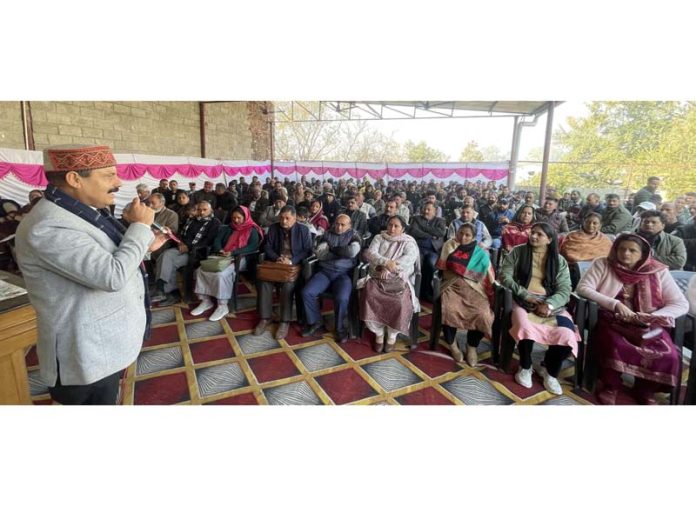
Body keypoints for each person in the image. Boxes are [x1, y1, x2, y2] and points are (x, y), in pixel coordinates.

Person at [14, 144, 168, 404]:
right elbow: (112, 275)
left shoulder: (82, 211)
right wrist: (140, 227)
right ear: (74, 179)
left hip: (104, 343)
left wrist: (142, 246)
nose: (119, 182)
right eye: (109, 175)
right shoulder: (48, 226)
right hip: (85, 353)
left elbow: (105, 259)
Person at [576, 234, 688, 404]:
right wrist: (615, 304)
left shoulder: (658, 271)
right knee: (616, 344)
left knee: (668, 353)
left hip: (647, 323)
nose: (625, 254)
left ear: (643, 254)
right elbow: (583, 288)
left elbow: (680, 303)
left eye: (632, 250)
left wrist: (652, 317)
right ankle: (611, 386)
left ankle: (644, 389)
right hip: (612, 317)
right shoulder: (604, 264)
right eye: (622, 249)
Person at [499, 223, 581, 395]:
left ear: (549, 240)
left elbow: (565, 288)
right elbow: (505, 275)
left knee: (567, 334)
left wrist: (549, 304)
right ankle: (526, 365)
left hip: (551, 304)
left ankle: (550, 371)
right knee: (524, 327)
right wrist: (525, 294)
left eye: (539, 235)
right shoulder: (518, 252)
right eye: (533, 233)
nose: (533, 236)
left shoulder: (558, 260)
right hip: (523, 299)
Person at [359, 215, 420, 353]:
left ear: (403, 228)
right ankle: (379, 334)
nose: (392, 229)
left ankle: (392, 336)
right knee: (370, 296)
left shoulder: (408, 242)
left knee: (400, 302)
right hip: (377, 275)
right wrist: (385, 264)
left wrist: (389, 269)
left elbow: (408, 260)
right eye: (390, 225)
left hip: (399, 278)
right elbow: (371, 254)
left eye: (396, 226)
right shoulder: (379, 238)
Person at [436, 223, 494, 366]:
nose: (463, 237)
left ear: (474, 237)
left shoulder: (481, 251)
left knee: (483, 314)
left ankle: (471, 346)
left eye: (467, 235)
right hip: (452, 285)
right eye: (460, 233)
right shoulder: (449, 245)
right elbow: (444, 267)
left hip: (475, 288)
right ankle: (452, 344)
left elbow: (487, 273)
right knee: (449, 309)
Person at [190, 206, 263, 321]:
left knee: (221, 274)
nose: (236, 220)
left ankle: (222, 305)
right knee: (201, 270)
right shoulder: (228, 227)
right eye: (234, 218)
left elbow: (252, 246)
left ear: (245, 217)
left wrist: (233, 252)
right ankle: (206, 301)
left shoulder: (252, 229)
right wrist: (220, 250)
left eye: (239, 218)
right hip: (223, 255)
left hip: (241, 258)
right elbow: (217, 240)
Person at [255, 206, 313, 340]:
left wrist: (291, 260)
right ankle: (265, 317)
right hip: (277, 262)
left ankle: (284, 321)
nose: (284, 221)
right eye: (281, 218)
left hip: (294, 267)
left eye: (287, 218)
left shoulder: (303, 229)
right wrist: (277, 258)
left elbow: (307, 251)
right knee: (264, 281)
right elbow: (267, 247)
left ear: (295, 218)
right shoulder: (274, 228)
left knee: (288, 286)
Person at [301, 214, 362, 342]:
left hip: (343, 274)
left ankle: (340, 328)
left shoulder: (354, 235)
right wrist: (341, 254)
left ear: (349, 226)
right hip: (325, 272)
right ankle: (316, 321)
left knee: (342, 298)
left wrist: (332, 249)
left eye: (343, 225)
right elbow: (320, 254)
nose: (339, 227)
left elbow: (351, 252)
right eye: (337, 224)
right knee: (307, 292)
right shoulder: (327, 234)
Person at [151, 201, 221, 306]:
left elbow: (208, 241)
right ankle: (164, 290)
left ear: (211, 210)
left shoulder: (214, 223)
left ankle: (170, 292)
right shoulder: (191, 220)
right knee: (164, 255)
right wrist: (180, 243)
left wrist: (189, 247)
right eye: (199, 209)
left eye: (204, 210)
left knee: (169, 259)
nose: (201, 212)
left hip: (197, 253)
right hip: (182, 248)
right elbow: (182, 233)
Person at [408, 202, 447, 302]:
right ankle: (415, 290)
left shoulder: (440, 220)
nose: (425, 211)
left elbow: (441, 232)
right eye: (424, 209)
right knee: (417, 264)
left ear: (434, 211)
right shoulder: (416, 219)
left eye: (429, 210)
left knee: (430, 264)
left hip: (433, 250)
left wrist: (423, 228)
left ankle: (427, 291)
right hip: (418, 248)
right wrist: (431, 235)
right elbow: (414, 231)